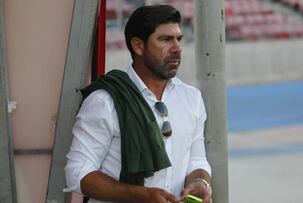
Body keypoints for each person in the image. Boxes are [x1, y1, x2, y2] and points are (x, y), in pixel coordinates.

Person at [64, 5, 212, 203]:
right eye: (166, 39)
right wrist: (137, 194)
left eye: (179, 39)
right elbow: (77, 173)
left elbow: (197, 160)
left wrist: (200, 182)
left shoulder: (191, 98)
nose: (177, 48)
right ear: (138, 46)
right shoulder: (104, 101)